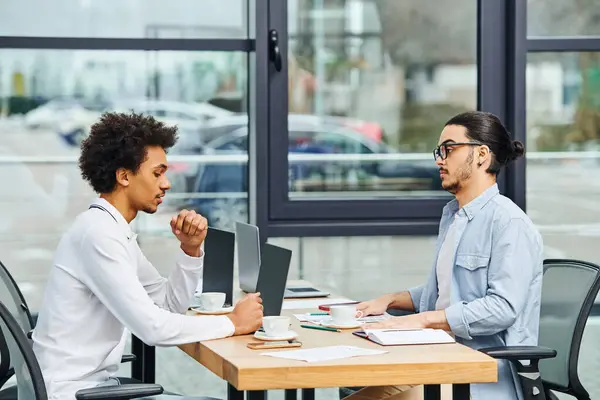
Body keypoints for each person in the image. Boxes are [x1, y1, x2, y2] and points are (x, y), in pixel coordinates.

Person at [32, 112, 264, 400]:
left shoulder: (114, 230)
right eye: (157, 173)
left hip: (92, 388)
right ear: (124, 176)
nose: (166, 184)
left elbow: (168, 306)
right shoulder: (99, 235)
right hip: (72, 394)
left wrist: (190, 250)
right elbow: (152, 329)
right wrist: (233, 323)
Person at [346, 111, 544, 400]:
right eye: (439, 151)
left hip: (480, 376)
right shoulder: (454, 216)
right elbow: (443, 293)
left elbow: (503, 307)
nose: (439, 159)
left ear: (481, 155)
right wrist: (388, 300)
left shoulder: (509, 224)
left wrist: (426, 320)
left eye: (449, 149)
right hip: (438, 361)